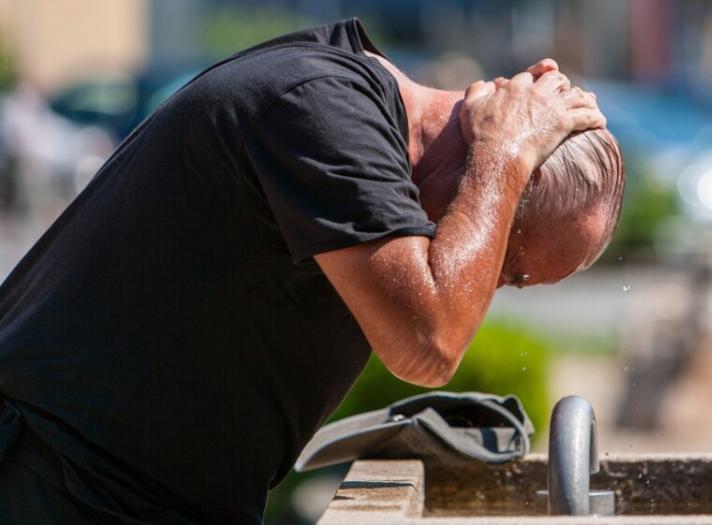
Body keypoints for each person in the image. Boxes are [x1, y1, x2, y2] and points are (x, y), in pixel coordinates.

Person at [0, 18, 624, 524]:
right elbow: (428, 342)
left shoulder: (353, 129)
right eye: (509, 266)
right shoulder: (322, 110)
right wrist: (505, 154)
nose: (484, 277)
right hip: (57, 478)